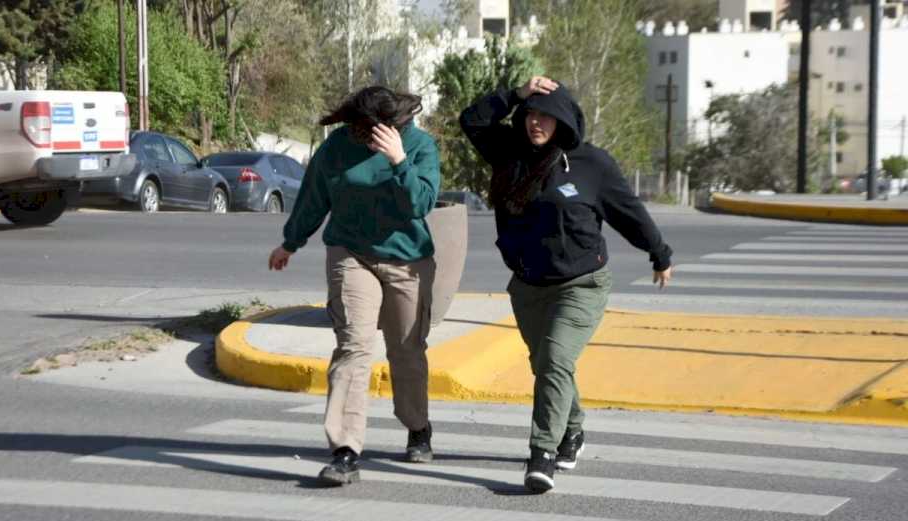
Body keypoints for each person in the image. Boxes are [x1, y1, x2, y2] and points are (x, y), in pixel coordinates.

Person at [459, 76, 672, 493]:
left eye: (546, 115)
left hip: (583, 283)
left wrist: (659, 253)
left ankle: (542, 455)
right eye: (530, 114)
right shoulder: (508, 152)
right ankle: (572, 428)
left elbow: (629, 212)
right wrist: (515, 94)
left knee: (555, 358)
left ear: (563, 119)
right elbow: (472, 121)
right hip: (527, 284)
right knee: (546, 364)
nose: (536, 122)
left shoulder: (592, 163)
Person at [269, 86, 440, 486]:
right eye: (358, 129)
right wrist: (291, 242)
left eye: (370, 131)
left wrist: (399, 161)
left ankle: (418, 426)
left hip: (407, 259)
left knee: (406, 350)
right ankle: (345, 450)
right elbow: (314, 197)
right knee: (353, 347)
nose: (362, 138)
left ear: (392, 126)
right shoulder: (338, 148)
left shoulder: (418, 145)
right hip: (351, 252)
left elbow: (422, 204)